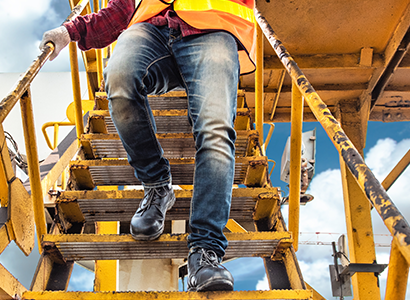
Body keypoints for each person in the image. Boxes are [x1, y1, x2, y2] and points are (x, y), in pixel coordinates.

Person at [40, 0, 257, 292]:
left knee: (215, 129)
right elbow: (122, 8)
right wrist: (71, 30)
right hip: (152, 30)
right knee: (119, 80)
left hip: (214, 27)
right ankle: (157, 187)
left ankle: (205, 252)